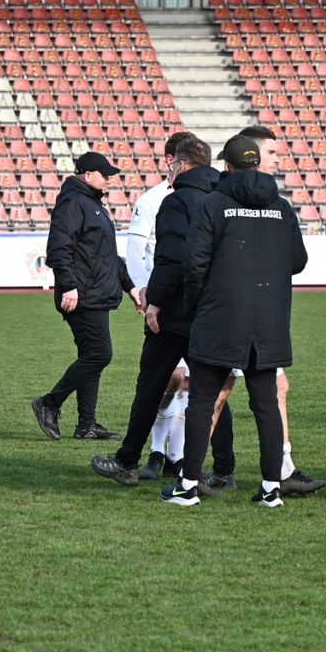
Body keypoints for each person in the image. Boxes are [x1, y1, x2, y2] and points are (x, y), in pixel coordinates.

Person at [161, 132, 310, 507]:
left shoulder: (213, 204)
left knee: (202, 399)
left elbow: (194, 264)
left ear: (225, 167)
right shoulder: (282, 206)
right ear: (256, 164)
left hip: (220, 316)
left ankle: (188, 485)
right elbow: (298, 262)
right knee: (265, 404)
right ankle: (271, 489)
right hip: (270, 321)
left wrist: (197, 307)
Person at [200, 126, 324, 494]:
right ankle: (183, 466)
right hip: (241, 316)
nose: (276, 159)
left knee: (269, 388)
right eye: (271, 152)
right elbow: (295, 260)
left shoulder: (265, 201)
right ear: (250, 157)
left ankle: (281, 469)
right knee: (219, 390)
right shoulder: (257, 204)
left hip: (242, 314)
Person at [92, 134, 220, 486]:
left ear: (179, 163)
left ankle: (128, 460)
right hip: (210, 312)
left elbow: (170, 260)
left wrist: (154, 301)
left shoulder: (174, 202)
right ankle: (221, 467)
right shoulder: (221, 199)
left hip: (174, 312)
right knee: (210, 388)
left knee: (151, 386)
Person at [31, 151, 135, 442]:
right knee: (100, 354)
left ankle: (86, 424)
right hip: (82, 294)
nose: (110, 181)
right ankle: (49, 403)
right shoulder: (74, 203)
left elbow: (107, 257)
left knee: (93, 356)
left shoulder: (91, 204)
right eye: (106, 175)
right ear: (88, 175)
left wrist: (131, 287)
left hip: (96, 293)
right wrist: (68, 285)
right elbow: (58, 248)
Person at [119, 130, 196, 477]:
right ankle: (154, 450)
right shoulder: (152, 200)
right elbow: (136, 249)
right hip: (162, 303)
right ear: (170, 160)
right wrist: (143, 290)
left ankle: (175, 458)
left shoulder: (197, 197)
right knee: (170, 378)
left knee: (190, 381)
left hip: (192, 303)